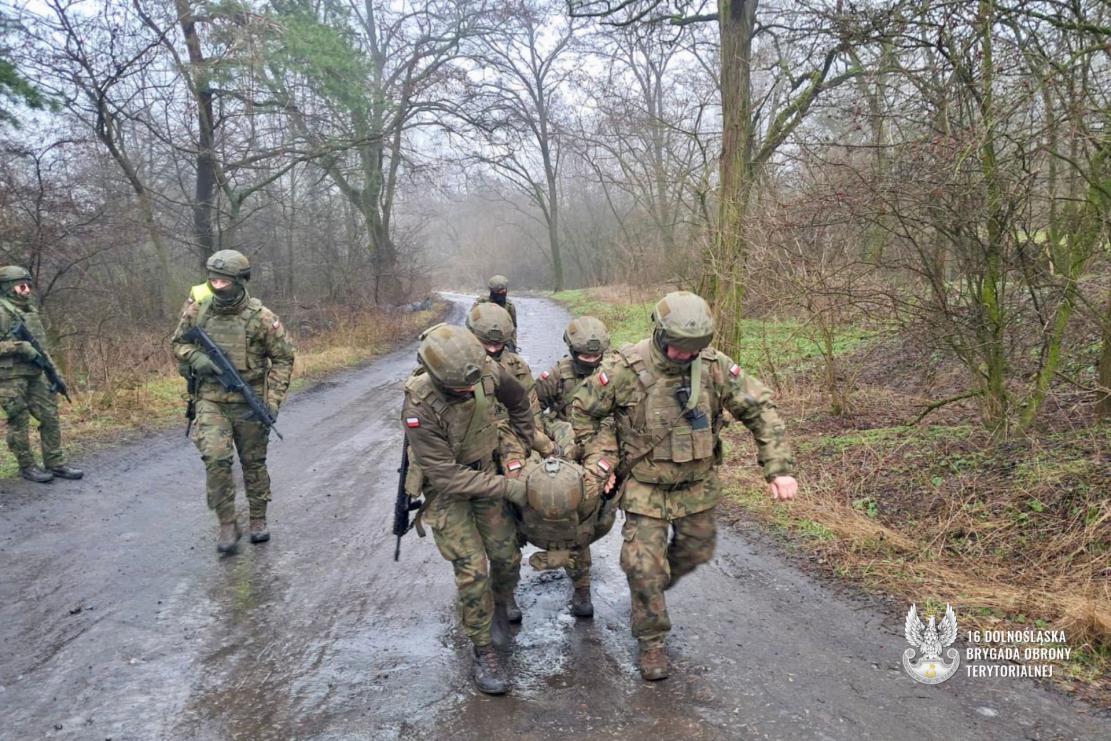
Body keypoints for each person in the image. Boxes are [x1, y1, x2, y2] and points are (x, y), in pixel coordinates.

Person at [572, 291, 798, 681]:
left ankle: (650, 592)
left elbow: (759, 407)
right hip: (646, 486)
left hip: (697, 484)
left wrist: (777, 468)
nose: (683, 356)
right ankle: (652, 640)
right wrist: (602, 458)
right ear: (659, 333)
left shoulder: (712, 366)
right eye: (676, 348)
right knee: (643, 567)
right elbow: (584, 412)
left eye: (693, 349)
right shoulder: (625, 368)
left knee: (695, 553)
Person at [401, 323, 534, 695]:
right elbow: (445, 477)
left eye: (469, 386)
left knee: (507, 556)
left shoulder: (481, 369)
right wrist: (510, 487)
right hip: (449, 491)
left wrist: (522, 446)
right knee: (473, 570)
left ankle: (503, 599)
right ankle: (483, 648)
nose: (466, 391)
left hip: (486, 472)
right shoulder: (418, 405)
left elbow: (519, 400)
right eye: (458, 389)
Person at [171, 250, 295, 553]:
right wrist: (196, 358)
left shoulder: (262, 318)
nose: (216, 285)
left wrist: (273, 401)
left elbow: (283, 358)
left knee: (254, 463)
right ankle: (227, 523)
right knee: (216, 459)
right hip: (210, 399)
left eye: (223, 281)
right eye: (212, 279)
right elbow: (179, 344)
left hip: (249, 401)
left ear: (240, 281)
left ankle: (257, 519)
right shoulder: (198, 311)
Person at [0, 266, 83, 483]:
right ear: (8, 288)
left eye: (28, 285)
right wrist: (18, 347)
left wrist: (54, 372)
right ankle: (27, 466)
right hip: (9, 376)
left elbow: (41, 347)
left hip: (35, 372)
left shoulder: (30, 311)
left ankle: (55, 463)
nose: (27, 290)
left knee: (50, 414)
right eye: (21, 286)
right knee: (19, 420)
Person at [509, 454, 616, 619]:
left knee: (582, 521)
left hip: (566, 459)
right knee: (498, 523)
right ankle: (504, 591)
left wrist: (608, 473)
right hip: (527, 514)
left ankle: (581, 586)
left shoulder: (588, 484)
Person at [536, 316, 611, 462]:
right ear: (574, 352)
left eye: (596, 356)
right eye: (585, 356)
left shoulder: (613, 373)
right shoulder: (555, 376)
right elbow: (531, 411)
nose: (592, 361)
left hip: (602, 433)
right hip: (567, 435)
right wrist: (545, 445)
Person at [471, 275, 517, 350]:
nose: (501, 293)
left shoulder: (509, 306)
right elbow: (471, 322)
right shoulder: (481, 302)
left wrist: (513, 345)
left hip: (502, 341)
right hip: (482, 339)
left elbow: (513, 328)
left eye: (503, 290)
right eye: (497, 291)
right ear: (492, 290)